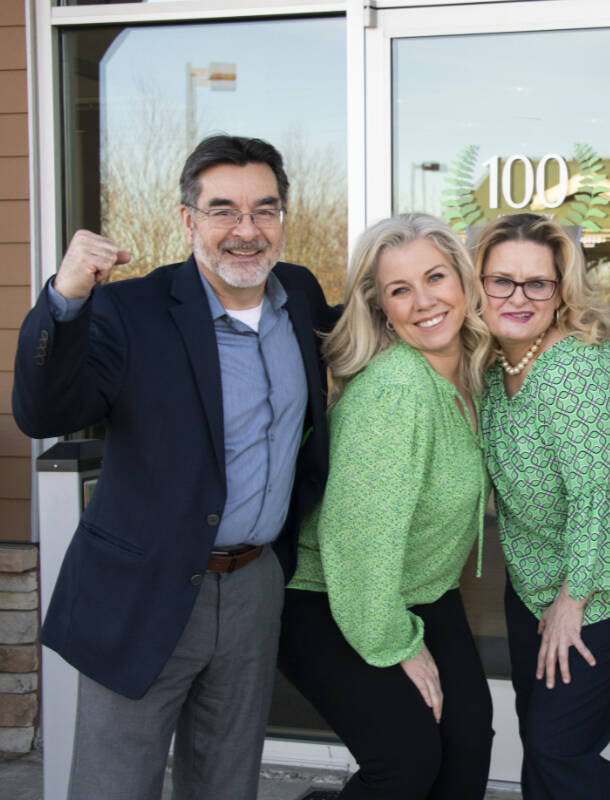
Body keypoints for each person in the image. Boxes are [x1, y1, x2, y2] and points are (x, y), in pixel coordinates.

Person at [11, 135, 337, 800]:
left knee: (225, 780)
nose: (246, 231)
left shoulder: (298, 296)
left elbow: (379, 339)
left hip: (252, 585)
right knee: (114, 784)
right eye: (223, 210)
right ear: (188, 219)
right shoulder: (131, 311)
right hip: (145, 587)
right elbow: (43, 411)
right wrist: (66, 298)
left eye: (264, 210)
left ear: (283, 217)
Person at [277, 213, 494, 799]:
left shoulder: (473, 373)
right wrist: (395, 645)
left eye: (436, 277)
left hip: (420, 590)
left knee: (468, 744)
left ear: (463, 281)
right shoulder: (397, 394)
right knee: (406, 759)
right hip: (331, 597)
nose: (425, 301)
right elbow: (358, 544)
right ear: (381, 308)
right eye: (401, 290)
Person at [475, 213, 610, 800]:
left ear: (561, 291)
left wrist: (573, 601)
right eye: (501, 281)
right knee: (541, 729)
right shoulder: (495, 364)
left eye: (537, 283)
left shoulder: (579, 368)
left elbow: (604, 495)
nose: (518, 297)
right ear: (478, 285)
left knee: (560, 744)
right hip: (537, 571)